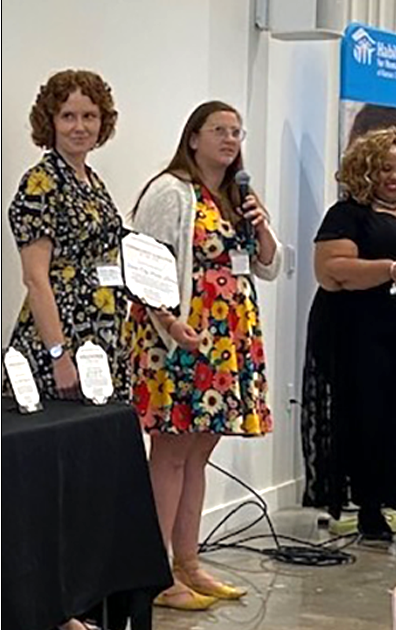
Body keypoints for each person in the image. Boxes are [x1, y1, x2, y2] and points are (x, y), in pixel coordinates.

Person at [123, 101, 282, 611]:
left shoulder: (238, 196)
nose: (230, 139)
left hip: (226, 341)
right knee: (170, 454)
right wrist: (170, 323)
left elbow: (269, 266)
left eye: (237, 131)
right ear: (193, 138)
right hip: (177, 337)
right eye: (219, 130)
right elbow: (141, 266)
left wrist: (260, 226)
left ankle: (187, 563)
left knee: (198, 453)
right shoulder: (171, 191)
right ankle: (151, 571)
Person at [302, 127, 396, 541]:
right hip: (358, 329)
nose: (395, 177)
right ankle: (369, 508)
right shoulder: (347, 215)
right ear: (366, 170)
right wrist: (387, 269)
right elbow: (331, 270)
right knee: (367, 416)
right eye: (385, 168)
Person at [4, 70, 128, 412]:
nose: (80, 127)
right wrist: (58, 354)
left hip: (103, 333)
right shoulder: (40, 184)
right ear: (51, 122)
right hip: (61, 341)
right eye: (68, 116)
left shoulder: (93, 182)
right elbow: (35, 278)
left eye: (89, 116)